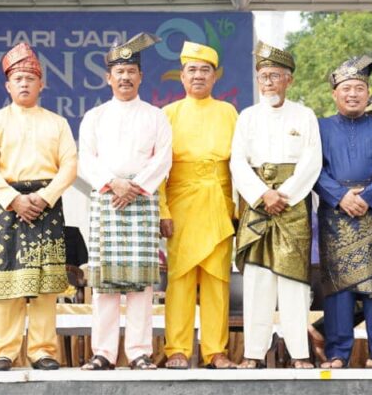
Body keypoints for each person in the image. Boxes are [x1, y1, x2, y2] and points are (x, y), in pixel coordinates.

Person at [0, 43, 77, 371]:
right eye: (17, 78)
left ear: (41, 84)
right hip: (9, 204)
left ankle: (43, 350)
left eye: (30, 79)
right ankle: (4, 350)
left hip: (46, 204)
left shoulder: (58, 123)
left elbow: (69, 166)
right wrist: (13, 200)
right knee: (7, 280)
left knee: (46, 285)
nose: (24, 84)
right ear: (7, 85)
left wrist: (45, 197)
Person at [78, 33, 172, 371]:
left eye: (131, 71)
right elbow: (85, 159)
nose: (125, 77)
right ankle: (102, 352)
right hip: (106, 198)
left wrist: (135, 186)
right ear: (108, 77)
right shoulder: (95, 116)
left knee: (140, 284)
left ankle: (138, 351)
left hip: (142, 200)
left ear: (141, 76)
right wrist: (113, 183)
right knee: (104, 284)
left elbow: (163, 159)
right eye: (119, 72)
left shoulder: (156, 116)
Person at [231, 42, 321, 369]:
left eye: (275, 76)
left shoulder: (305, 115)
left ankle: (299, 353)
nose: (268, 82)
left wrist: (284, 194)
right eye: (263, 76)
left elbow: (312, 161)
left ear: (289, 80)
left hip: (292, 205)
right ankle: (254, 353)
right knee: (256, 280)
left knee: (294, 280)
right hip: (257, 204)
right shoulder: (247, 117)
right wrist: (261, 194)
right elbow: (238, 163)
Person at [314, 56, 372, 369]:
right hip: (335, 217)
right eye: (347, 88)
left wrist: (368, 197)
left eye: (359, 88)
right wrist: (339, 196)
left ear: (368, 94)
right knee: (338, 288)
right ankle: (338, 353)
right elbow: (313, 168)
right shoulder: (320, 128)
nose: (353, 94)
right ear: (335, 94)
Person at [159, 41, 238, 370]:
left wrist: (238, 209)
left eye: (205, 70)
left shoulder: (228, 112)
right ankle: (176, 349)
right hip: (181, 204)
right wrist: (162, 210)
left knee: (217, 280)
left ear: (215, 77)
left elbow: (239, 165)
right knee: (179, 280)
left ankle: (215, 351)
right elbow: (159, 168)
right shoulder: (168, 114)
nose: (198, 76)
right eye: (192, 69)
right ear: (182, 76)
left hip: (219, 204)